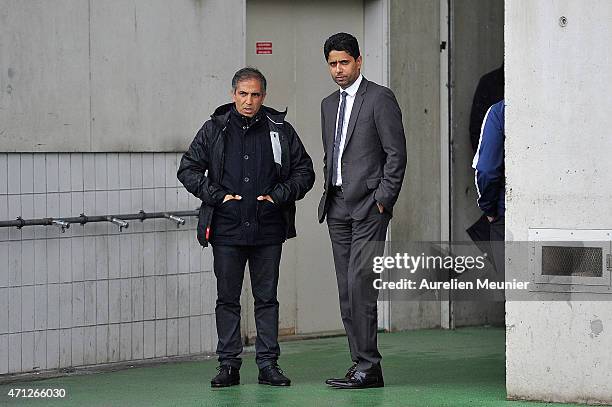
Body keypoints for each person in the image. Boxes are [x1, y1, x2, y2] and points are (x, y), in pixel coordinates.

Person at [177, 67, 315, 388]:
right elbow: (188, 168)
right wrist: (218, 196)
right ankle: (228, 365)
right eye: (243, 94)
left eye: (255, 95)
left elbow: (304, 172)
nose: (249, 101)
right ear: (232, 94)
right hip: (226, 230)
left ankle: (268, 365)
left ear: (263, 96)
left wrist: (278, 196)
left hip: (268, 229)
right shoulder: (215, 129)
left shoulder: (279, 130)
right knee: (227, 299)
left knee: (266, 299)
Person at [318, 33, 407, 389]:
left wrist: (383, 200)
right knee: (345, 288)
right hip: (337, 204)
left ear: (359, 61)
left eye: (344, 62)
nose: (338, 70)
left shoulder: (380, 98)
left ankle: (369, 364)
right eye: (332, 64)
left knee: (361, 284)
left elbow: (396, 154)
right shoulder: (327, 104)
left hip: (369, 206)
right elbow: (333, 153)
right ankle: (361, 364)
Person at [472, 99, 505, 270]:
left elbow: (486, 169)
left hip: (505, 214)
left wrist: (488, 209)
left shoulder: (500, 111)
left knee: (513, 286)